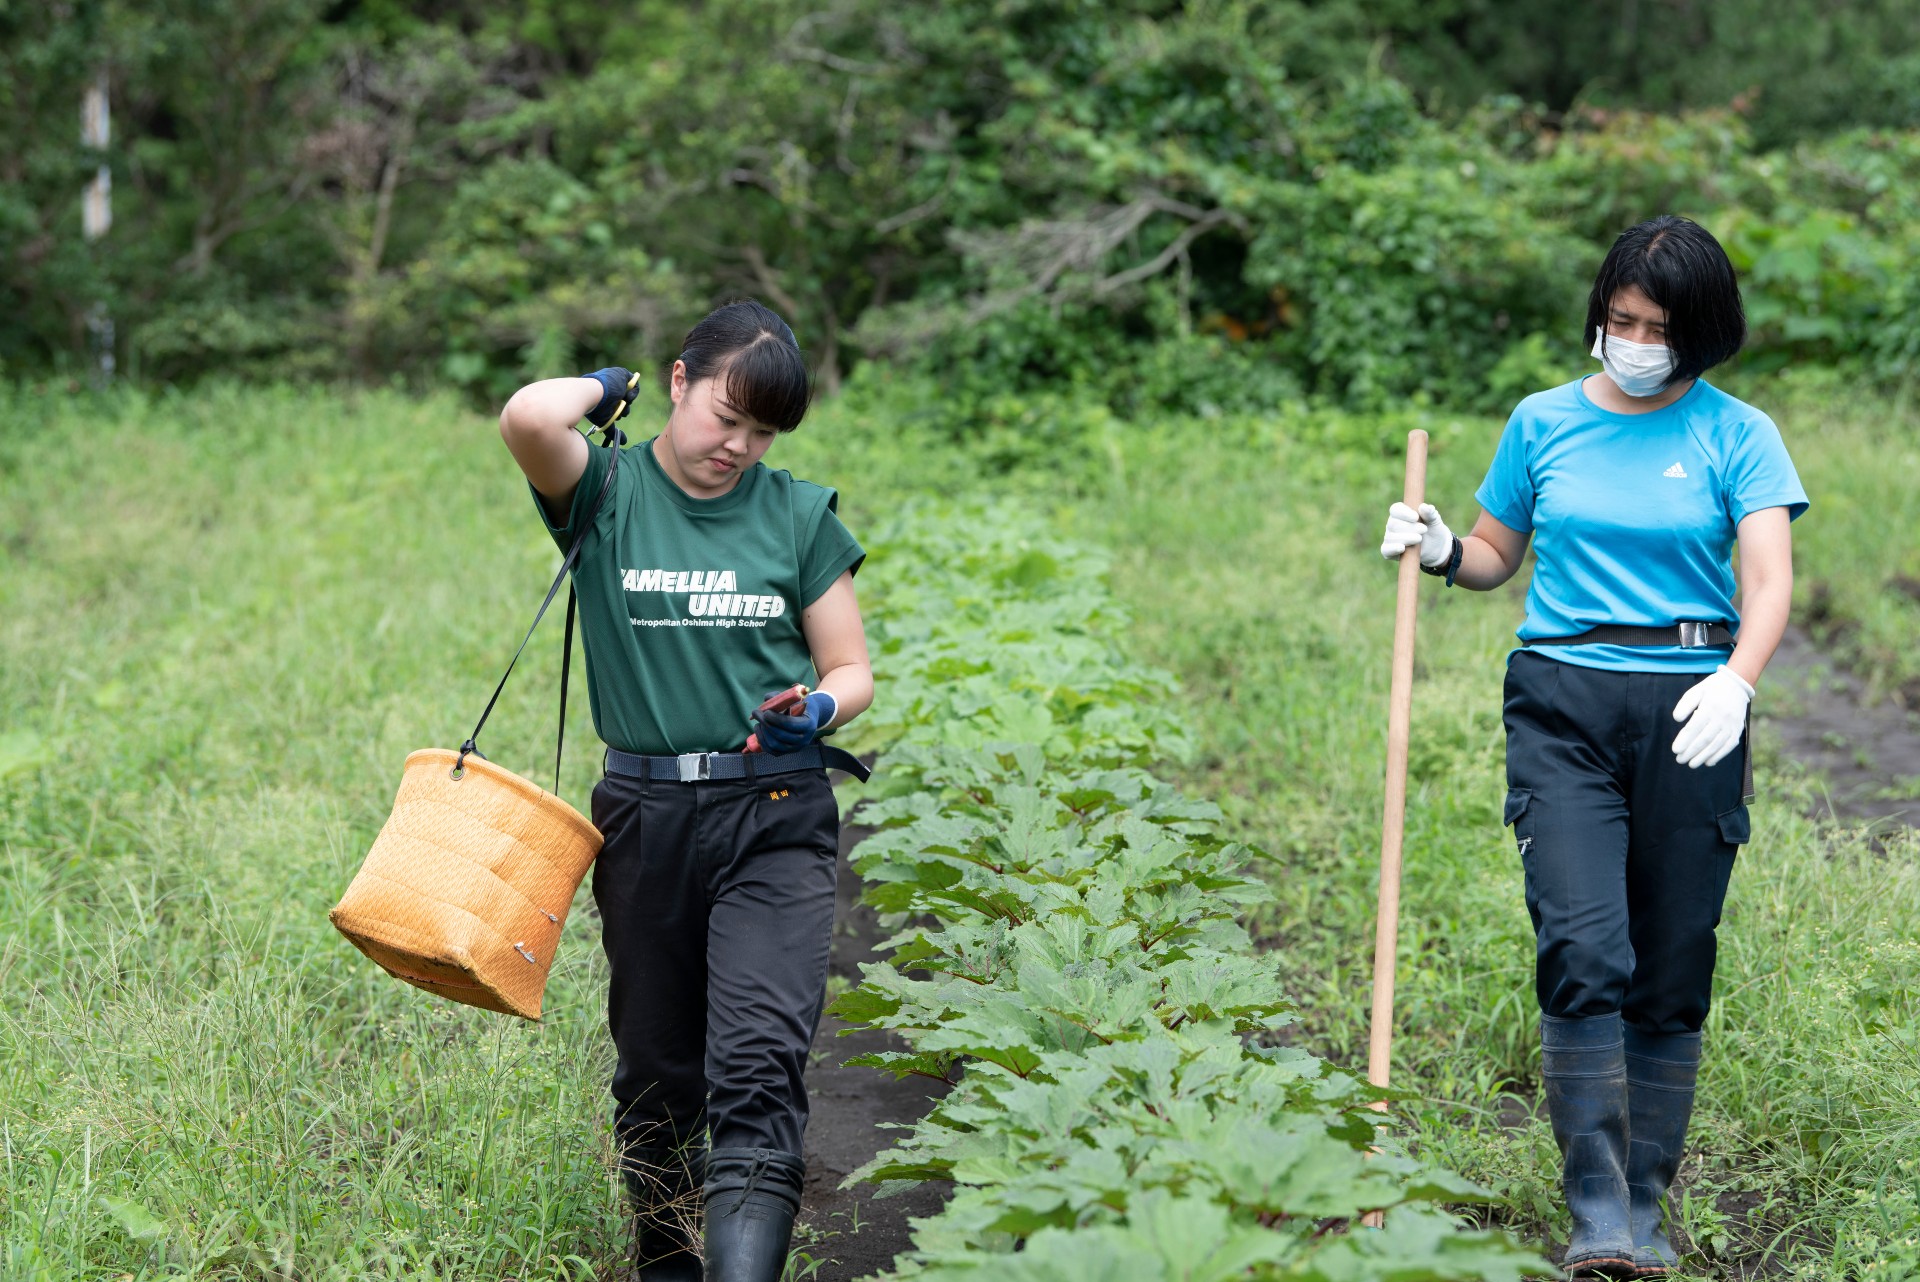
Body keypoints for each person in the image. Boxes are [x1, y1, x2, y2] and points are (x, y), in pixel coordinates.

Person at [1379, 216, 1807, 1279]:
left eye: (1656, 325)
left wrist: (1738, 680)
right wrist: (1440, 547)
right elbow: (1493, 555)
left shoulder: (1737, 433)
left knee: (1670, 963)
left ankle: (1647, 1206)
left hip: (1693, 701)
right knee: (1583, 947)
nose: (1632, 339)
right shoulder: (1542, 423)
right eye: (1618, 319)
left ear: (1699, 332)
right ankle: (1597, 1211)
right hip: (1563, 701)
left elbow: (1769, 580)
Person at [498, 300, 874, 1282]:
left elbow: (851, 669)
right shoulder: (605, 489)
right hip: (645, 818)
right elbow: (530, 418)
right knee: (660, 1081)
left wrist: (819, 710)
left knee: (755, 1070)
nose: (739, 446)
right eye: (725, 415)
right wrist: (602, 388)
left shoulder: (797, 513)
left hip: (776, 812)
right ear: (678, 381)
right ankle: (666, 1261)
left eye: (762, 431)